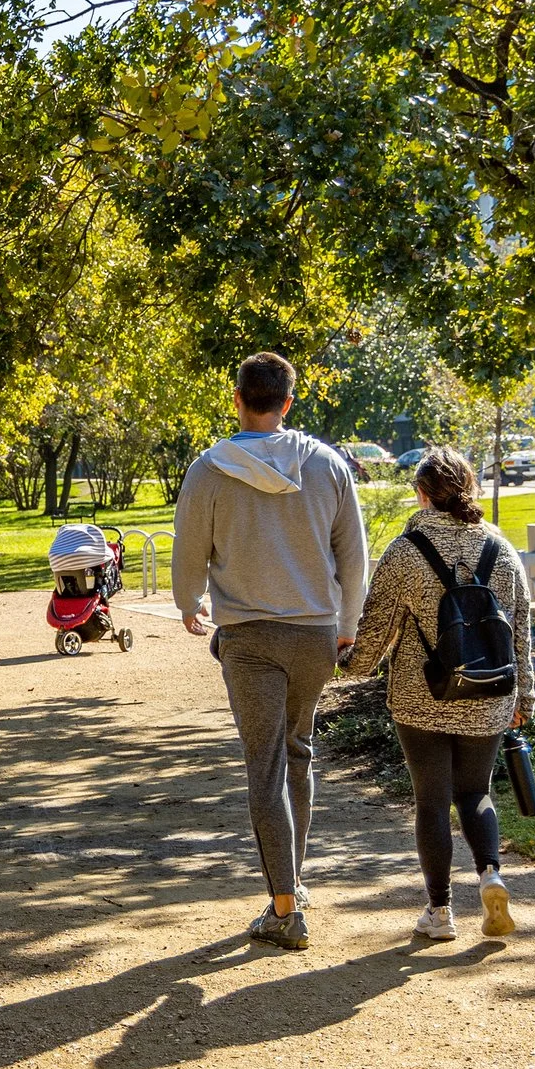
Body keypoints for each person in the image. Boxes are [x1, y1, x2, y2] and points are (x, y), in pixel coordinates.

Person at [172, 353, 370, 951]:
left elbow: (188, 547)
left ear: (238, 398)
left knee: (265, 767)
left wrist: (188, 601)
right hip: (315, 632)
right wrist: (348, 624)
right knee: (297, 752)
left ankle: (284, 907)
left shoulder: (210, 471)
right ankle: (295, 882)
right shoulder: (328, 466)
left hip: (251, 637)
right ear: (287, 402)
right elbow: (354, 557)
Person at [347, 447, 535, 941]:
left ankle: (439, 912)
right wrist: (524, 698)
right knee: (475, 791)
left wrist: (351, 668)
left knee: (431, 800)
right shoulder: (502, 550)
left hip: (420, 695)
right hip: (490, 692)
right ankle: (491, 873)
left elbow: (376, 628)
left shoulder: (406, 552)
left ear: (421, 493)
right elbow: (520, 631)